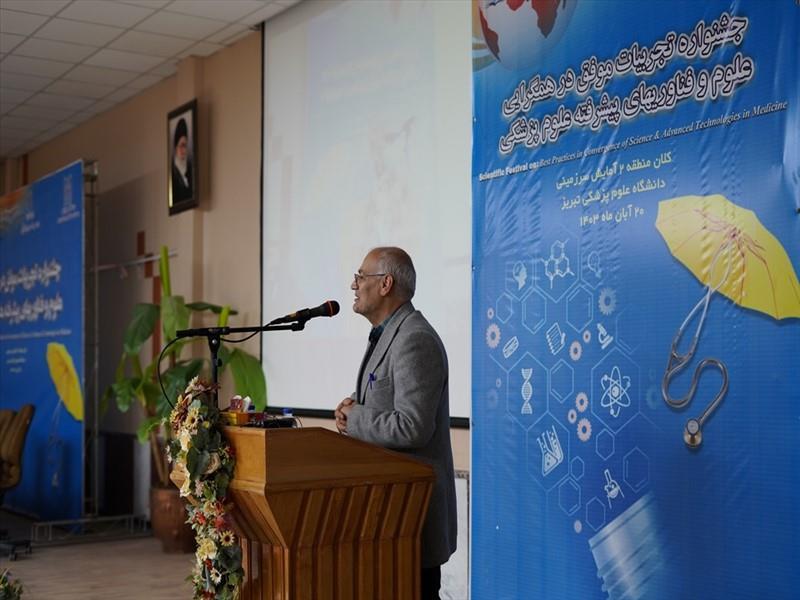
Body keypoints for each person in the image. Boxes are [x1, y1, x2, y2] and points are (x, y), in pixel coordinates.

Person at [335, 247, 457, 599]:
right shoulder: (390, 333)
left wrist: (356, 418)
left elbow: (413, 426)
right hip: (389, 516)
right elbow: (387, 396)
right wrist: (355, 405)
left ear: (386, 284)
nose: (354, 285)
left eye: (361, 276)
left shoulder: (414, 339)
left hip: (411, 518)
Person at [171, 117, 192, 203]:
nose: (184, 150)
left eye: (185, 146)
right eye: (182, 145)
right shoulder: (173, 173)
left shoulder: (189, 170)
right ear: (176, 147)